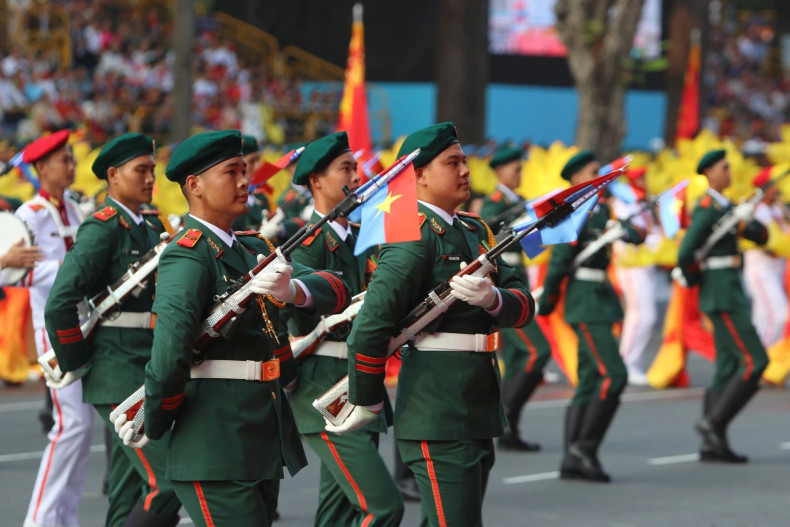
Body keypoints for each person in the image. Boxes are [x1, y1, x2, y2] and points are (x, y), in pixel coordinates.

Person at [122, 130, 350, 526]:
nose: (246, 181)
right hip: (214, 441)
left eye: (244, 171)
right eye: (232, 172)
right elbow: (170, 353)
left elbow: (337, 288)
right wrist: (154, 420)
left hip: (259, 438)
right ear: (194, 185)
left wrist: (293, 289)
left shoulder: (253, 248)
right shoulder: (187, 256)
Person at [333, 122, 535, 526]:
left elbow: (525, 304)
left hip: (476, 405)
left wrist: (493, 298)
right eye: (452, 162)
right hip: (437, 409)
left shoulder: (476, 230)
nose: (465, 171)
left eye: (464, 161)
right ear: (419, 176)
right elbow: (370, 327)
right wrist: (367, 399)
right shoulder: (414, 234)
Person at [44, 133, 182, 526]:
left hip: (146, 360)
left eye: (151, 170)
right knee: (170, 480)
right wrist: (76, 360)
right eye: (140, 170)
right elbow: (60, 302)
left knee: (128, 488)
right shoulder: (102, 228)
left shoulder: (151, 223)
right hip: (115, 366)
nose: (150, 178)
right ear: (113, 175)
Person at [286, 131, 404, 526]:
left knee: (336, 513)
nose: (356, 176)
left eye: (355, 167)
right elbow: (291, 328)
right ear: (316, 181)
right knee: (384, 508)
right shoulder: (305, 245)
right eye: (345, 168)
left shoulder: (362, 237)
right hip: (324, 389)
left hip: (361, 379)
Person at [538, 150, 645, 483]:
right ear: (575, 179)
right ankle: (585, 448)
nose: (598, 176)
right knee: (614, 375)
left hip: (599, 298)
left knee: (588, 380)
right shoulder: (572, 211)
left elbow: (637, 234)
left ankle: (573, 455)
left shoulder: (603, 208)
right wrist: (549, 300)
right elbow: (559, 261)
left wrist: (623, 231)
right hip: (585, 300)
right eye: (591, 171)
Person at [15, 130, 96, 527]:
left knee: (81, 431)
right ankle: (40, 520)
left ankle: (64, 517)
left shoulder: (76, 210)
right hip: (52, 326)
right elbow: (17, 272)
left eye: (71, 158)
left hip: (84, 322)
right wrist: (68, 270)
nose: (71, 165)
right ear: (41, 168)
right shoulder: (28, 214)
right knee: (71, 425)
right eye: (63, 160)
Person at [677, 149, 769, 463]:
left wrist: (746, 222)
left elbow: (761, 236)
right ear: (710, 174)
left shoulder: (728, 207)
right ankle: (713, 423)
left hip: (729, 288)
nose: (729, 173)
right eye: (724, 168)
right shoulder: (706, 207)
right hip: (721, 293)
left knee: (728, 367)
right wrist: (696, 281)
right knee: (755, 361)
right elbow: (686, 253)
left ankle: (713, 443)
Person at [480, 145, 550, 451]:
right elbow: (488, 238)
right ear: (500, 171)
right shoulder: (493, 206)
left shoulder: (521, 203)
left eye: (520, 169)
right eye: (515, 169)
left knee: (520, 356)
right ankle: (505, 416)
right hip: (503, 287)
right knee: (536, 351)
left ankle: (510, 426)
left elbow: (533, 245)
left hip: (520, 282)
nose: (519, 174)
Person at [611, 167, 659, 386]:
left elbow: (653, 230)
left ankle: (631, 362)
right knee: (643, 315)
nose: (643, 180)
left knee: (641, 315)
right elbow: (626, 232)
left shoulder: (643, 203)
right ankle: (627, 362)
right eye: (638, 177)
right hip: (630, 265)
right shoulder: (624, 202)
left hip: (645, 264)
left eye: (644, 176)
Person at [742, 166, 788, 348]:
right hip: (761, 271)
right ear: (764, 189)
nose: (777, 190)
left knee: (761, 321)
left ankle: (752, 362)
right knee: (780, 316)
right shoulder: (757, 211)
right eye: (773, 186)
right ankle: (764, 366)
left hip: (775, 271)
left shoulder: (776, 209)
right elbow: (771, 245)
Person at [232, 134, 271, 232]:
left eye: (258, 159)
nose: (258, 166)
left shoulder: (260, 197)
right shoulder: (228, 199)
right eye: (252, 161)